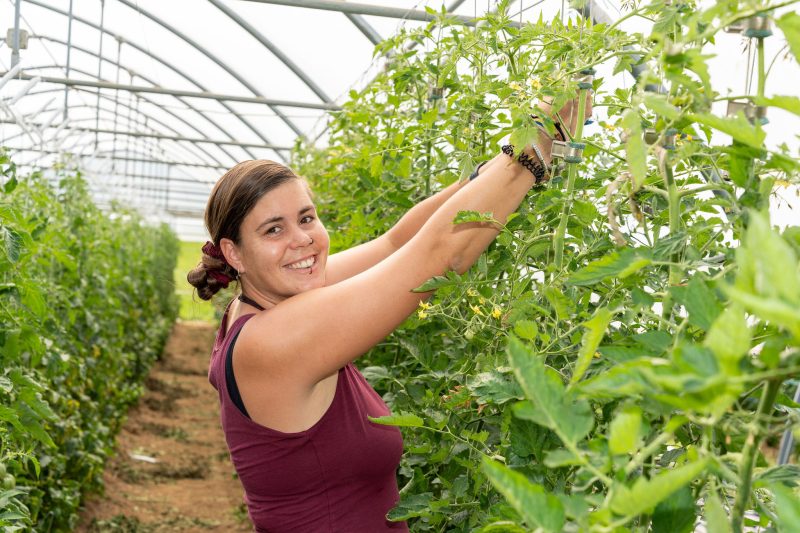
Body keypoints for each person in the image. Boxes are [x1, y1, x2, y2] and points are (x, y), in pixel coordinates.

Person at [187, 95, 591, 532]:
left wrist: (508, 155)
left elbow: (396, 244)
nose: (302, 240)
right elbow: (437, 257)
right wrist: (536, 144)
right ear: (234, 253)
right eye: (274, 229)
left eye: (307, 218)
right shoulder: (274, 341)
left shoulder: (267, 301)